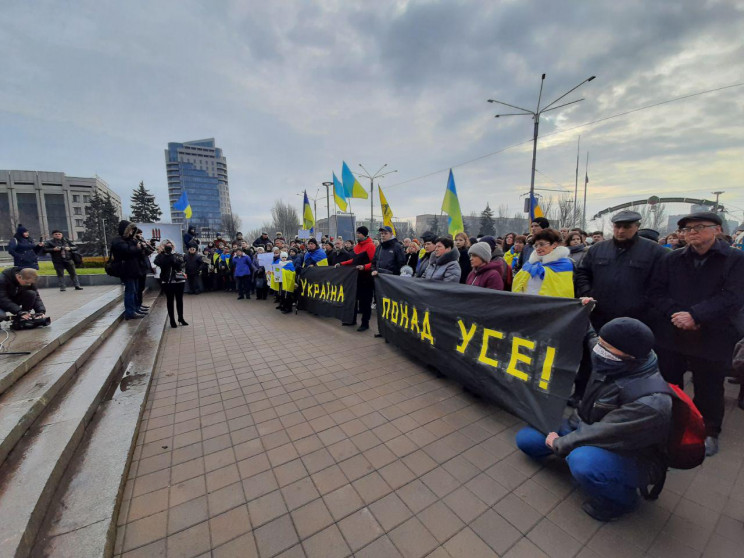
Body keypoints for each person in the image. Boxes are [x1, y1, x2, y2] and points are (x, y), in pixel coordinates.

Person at [515, 318, 672, 522]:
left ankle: (623, 500)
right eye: (600, 344)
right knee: (526, 440)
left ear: (630, 357)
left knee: (582, 461)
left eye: (605, 347)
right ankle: (580, 459)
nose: (598, 350)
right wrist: (584, 312)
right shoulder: (612, 358)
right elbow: (591, 337)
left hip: (626, 452)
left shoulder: (650, 401)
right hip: (581, 427)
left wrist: (559, 443)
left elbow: (604, 432)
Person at [648, 211, 744, 456]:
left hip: (714, 333)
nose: (691, 232)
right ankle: (670, 423)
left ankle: (708, 431)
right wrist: (679, 316)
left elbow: (733, 297)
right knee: (670, 381)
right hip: (673, 332)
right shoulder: (672, 259)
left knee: (709, 385)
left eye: (699, 227)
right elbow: (657, 292)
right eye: (687, 229)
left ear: (717, 230)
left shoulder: (734, 259)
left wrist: (697, 316)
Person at [575, 211, 667, 331]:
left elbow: (662, 283)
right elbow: (583, 273)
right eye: (617, 226)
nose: (621, 231)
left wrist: (647, 304)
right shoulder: (598, 249)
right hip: (600, 315)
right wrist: (588, 293)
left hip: (638, 318)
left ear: (637, 227)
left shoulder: (654, 251)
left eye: (627, 227)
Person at [512, 228, 574, 297]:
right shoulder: (529, 263)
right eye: (536, 245)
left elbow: (562, 291)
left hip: (549, 305)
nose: (538, 248)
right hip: (527, 304)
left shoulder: (564, 264)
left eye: (541, 244)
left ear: (554, 245)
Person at [339, 226, 376, 331]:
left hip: (366, 278)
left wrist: (364, 267)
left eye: (359, 233)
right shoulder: (356, 246)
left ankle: (365, 323)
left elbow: (374, 262)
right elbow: (352, 260)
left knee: (365, 302)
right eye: (357, 232)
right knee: (353, 300)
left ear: (364, 234)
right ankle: (352, 320)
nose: (357, 234)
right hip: (355, 278)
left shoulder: (370, 246)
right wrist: (341, 263)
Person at [111, 220, 148, 320]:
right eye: (131, 230)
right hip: (126, 270)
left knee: (135, 290)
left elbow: (137, 250)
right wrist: (138, 248)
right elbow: (128, 250)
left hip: (134, 269)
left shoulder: (130, 240)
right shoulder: (118, 241)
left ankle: (136, 308)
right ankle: (130, 312)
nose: (132, 232)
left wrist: (142, 247)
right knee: (130, 291)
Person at [154, 239, 189, 328]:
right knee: (170, 300)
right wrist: (166, 255)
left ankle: (181, 318)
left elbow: (180, 265)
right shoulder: (160, 256)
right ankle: (172, 320)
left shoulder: (177, 255)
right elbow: (158, 263)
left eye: (171, 246)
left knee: (179, 300)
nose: (170, 248)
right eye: (167, 246)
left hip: (179, 280)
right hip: (167, 281)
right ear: (164, 247)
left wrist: (173, 258)